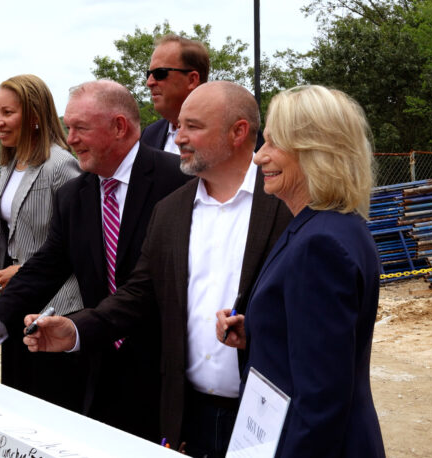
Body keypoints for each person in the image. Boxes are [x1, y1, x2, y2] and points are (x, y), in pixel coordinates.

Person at [22, 81, 293, 457]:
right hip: (187, 416)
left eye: (192, 127)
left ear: (239, 132)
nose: (178, 137)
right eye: (178, 126)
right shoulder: (171, 210)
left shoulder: (284, 204)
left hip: (267, 414)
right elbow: (139, 293)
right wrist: (76, 330)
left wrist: (259, 329)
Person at [0, 80, 189, 440]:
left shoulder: (179, 180)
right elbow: (46, 267)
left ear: (119, 126)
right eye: (68, 127)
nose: (70, 138)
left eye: (80, 128)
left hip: (169, 366)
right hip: (97, 358)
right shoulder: (75, 195)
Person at [218, 85, 385, 457]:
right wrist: (261, 329)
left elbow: (321, 402)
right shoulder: (333, 226)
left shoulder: (319, 244)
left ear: (316, 152)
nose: (259, 157)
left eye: (273, 144)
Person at [0, 74, 83, 408]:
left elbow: (75, 246)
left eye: (7, 113)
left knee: (48, 405)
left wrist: (20, 270)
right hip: (17, 305)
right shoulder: (10, 163)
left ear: (34, 116)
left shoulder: (61, 166)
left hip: (55, 310)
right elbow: (14, 230)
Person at [140, 35, 207, 154]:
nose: (149, 82)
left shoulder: (225, 134)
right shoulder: (149, 136)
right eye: (148, 74)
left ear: (192, 80)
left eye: (160, 73)